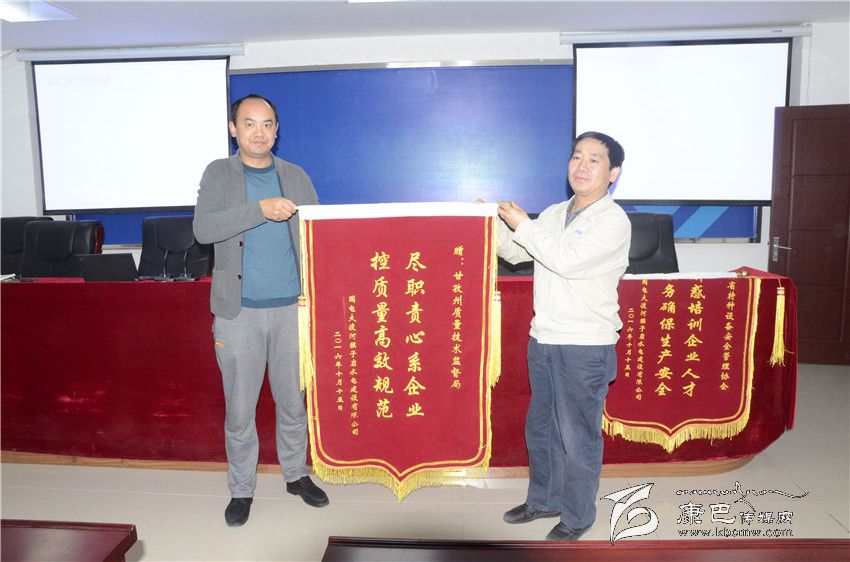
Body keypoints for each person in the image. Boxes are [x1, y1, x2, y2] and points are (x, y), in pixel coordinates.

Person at [193, 93, 328, 527]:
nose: (259, 132)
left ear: (277, 130)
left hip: (292, 311)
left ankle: (296, 474)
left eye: (267, 124)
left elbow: (318, 236)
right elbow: (204, 228)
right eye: (249, 123)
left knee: (293, 403)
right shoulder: (219, 173)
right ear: (234, 129)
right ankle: (241, 489)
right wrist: (259, 210)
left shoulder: (295, 176)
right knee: (240, 409)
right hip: (239, 313)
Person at [496, 131, 631, 541]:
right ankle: (544, 500)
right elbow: (519, 252)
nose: (581, 166)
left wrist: (523, 225)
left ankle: (577, 516)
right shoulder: (556, 213)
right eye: (576, 156)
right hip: (544, 338)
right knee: (541, 429)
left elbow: (566, 260)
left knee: (577, 437)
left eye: (594, 159)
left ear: (613, 173)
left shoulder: (613, 221)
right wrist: (493, 224)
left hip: (585, 345)